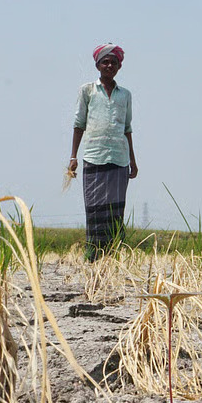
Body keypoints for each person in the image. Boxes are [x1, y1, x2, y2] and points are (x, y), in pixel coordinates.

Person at [69, 43, 138, 261]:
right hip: (93, 156)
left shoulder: (125, 95)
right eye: (105, 62)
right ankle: (93, 255)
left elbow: (127, 128)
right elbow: (79, 124)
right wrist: (73, 157)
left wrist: (133, 161)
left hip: (119, 158)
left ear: (119, 66)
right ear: (98, 65)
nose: (109, 66)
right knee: (94, 208)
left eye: (113, 62)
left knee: (115, 211)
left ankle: (113, 256)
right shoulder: (87, 91)